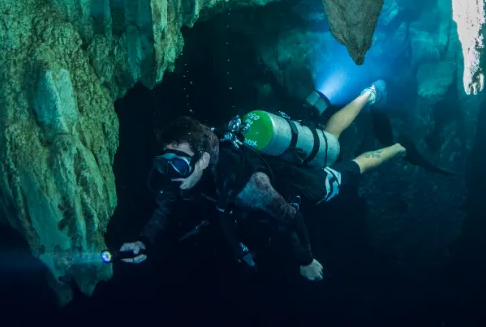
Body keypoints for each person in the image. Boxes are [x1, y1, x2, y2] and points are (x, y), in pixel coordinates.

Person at [120, 80, 405, 281]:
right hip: (267, 160)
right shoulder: (190, 161)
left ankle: (398, 145)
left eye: (178, 164)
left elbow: (291, 217)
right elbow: (164, 208)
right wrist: (144, 241)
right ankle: (362, 97)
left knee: (350, 167)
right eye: (165, 161)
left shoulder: (249, 186)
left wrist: (305, 260)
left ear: (204, 160)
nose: (171, 174)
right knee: (330, 139)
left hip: (293, 181)